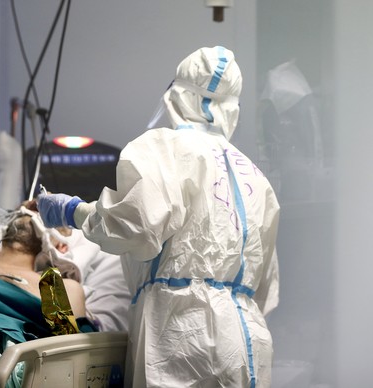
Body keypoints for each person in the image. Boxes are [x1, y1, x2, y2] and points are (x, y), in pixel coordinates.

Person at [36, 46, 280, 387]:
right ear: (232, 107)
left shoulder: (162, 147)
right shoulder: (256, 177)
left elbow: (133, 228)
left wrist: (72, 211)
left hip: (177, 332)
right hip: (244, 338)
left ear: (177, 93)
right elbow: (267, 286)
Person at [0, 209, 87, 319]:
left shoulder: (55, 287)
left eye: (49, 214)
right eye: (34, 206)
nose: (35, 211)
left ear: (61, 246)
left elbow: (65, 339)